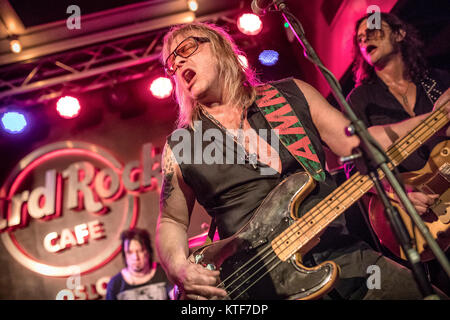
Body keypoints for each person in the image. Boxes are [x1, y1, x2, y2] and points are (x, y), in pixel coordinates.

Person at [155, 21, 450, 300]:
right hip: (262, 284)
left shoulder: (290, 95)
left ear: (220, 47)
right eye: (171, 63)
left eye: (186, 49)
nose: (177, 64)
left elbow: (357, 143)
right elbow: (171, 220)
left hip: (344, 257)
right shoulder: (183, 144)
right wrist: (178, 268)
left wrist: (435, 119)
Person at [346, 12, 450, 295]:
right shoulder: (360, 100)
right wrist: (397, 193)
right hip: (414, 213)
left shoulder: (439, 82)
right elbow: (356, 165)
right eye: (359, 38)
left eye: (374, 28)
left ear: (400, 34)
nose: (365, 37)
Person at [106, 228, 173, 300]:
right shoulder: (115, 284)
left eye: (140, 251)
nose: (135, 257)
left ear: (148, 251)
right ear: (124, 255)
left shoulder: (164, 273)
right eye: (130, 252)